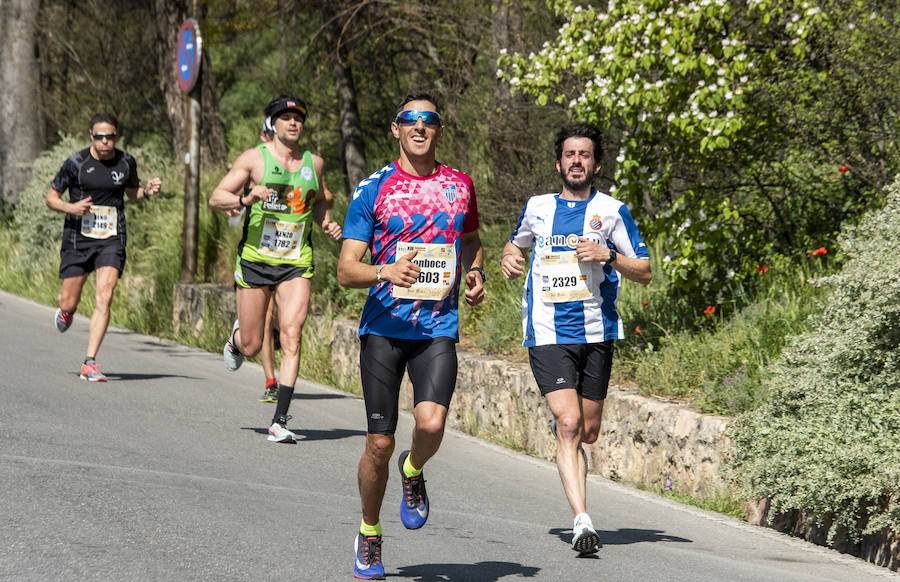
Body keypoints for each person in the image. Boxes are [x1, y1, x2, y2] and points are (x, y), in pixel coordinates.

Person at [338, 92, 485, 580]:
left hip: (436, 326)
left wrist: (475, 272)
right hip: (384, 327)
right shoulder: (372, 189)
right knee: (378, 442)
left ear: (439, 130)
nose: (420, 126)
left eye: (430, 120)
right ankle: (370, 531)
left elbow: (470, 238)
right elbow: (346, 270)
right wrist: (386, 271)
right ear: (395, 128)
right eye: (410, 120)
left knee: (431, 427)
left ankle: (414, 470)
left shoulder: (459, 185)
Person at [500, 123, 651, 556]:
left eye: (585, 155)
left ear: (596, 164)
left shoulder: (613, 211)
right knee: (568, 426)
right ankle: (582, 521)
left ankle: (570, 425)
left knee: (588, 431)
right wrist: (510, 259)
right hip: (547, 331)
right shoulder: (537, 207)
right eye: (570, 154)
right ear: (559, 163)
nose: (577, 161)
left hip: (597, 331)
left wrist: (608, 255)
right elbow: (515, 246)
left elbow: (644, 270)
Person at [209, 95, 341, 442]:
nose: (293, 122)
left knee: (292, 333)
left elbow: (318, 203)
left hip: (296, 262)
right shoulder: (255, 159)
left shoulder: (316, 163)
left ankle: (280, 420)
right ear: (274, 124)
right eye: (285, 117)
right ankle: (237, 340)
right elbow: (216, 197)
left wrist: (327, 223)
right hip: (255, 259)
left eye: (298, 117)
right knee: (254, 345)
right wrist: (245, 199)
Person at [46, 112, 162, 382]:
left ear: (116, 136)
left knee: (104, 296)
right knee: (68, 300)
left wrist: (147, 191)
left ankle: (90, 361)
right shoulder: (75, 162)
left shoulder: (125, 162)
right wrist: (71, 207)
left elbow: (133, 192)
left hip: (112, 237)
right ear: (91, 136)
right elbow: (51, 197)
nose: (105, 141)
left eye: (110, 136)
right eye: (100, 136)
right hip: (79, 238)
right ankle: (67, 311)